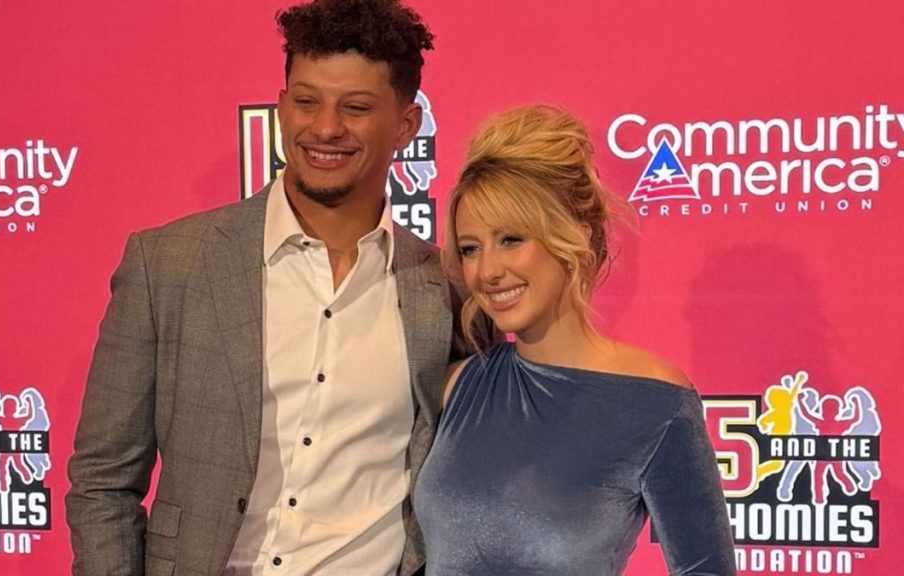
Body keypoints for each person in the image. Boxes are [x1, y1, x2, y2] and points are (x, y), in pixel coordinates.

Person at [65, 1, 470, 575]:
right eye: (306, 101)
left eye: (355, 107)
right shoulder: (168, 264)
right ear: (281, 107)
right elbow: (103, 481)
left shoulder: (445, 289)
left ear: (406, 125)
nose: (324, 128)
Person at [414, 105, 737, 575]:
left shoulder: (654, 401)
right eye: (470, 248)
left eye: (511, 239)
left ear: (574, 238)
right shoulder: (457, 387)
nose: (487, 270)